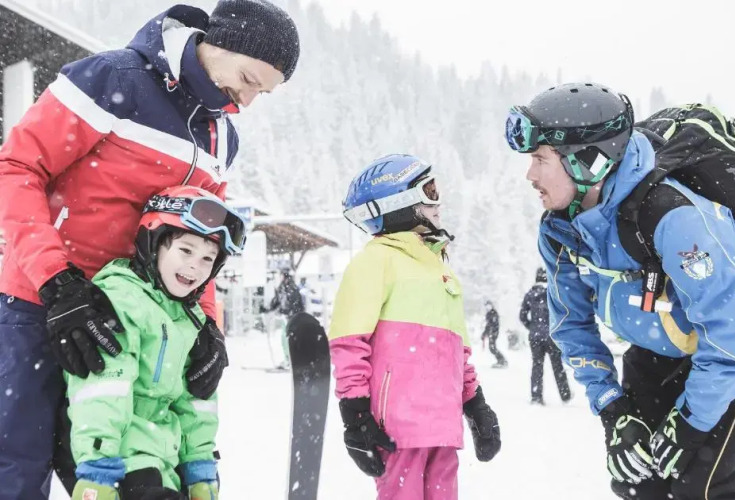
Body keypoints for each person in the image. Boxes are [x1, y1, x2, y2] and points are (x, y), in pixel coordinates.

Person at [0, 1, 299, 497]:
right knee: (16, 467)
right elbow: (16, 168)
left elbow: (202, 239)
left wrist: (206, 326)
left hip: (134, 325)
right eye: (248, 79)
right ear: (219, 43)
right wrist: (57, 281)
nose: (246, 101)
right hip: (42, 304)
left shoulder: (220, 138)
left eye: (261, 93)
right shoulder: (112, 79)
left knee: (130, 475)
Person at [505, 82, 735, 499]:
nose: (530, 175)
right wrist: (613, 410)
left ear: (588, 162)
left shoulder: (674, 219)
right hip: (661, 341)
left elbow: (732, 337)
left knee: (699, 487)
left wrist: (690, 423)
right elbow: (571, 326)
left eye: (540, 159)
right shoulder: (560, 231)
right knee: (638, 482)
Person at [330, 154, 501, 499]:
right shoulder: (374, 261)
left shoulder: (441, 271)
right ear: (397, 202)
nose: (438, 203)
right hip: (398, 428)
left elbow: (457, 352)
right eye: (430, 191)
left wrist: (476, 404)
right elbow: (348, 343)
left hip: (443, 427)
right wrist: (356, 414)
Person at [65, 186, 245, 500]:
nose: (195, 266)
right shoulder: (122, 299)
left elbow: (195, 401)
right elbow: (103, 387)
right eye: (185, 251)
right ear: (154, 243)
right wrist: (98, 467)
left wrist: (200, 464)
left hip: (165, 455)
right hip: (122, 458)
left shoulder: (190, 319)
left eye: (207, 258)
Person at [519, 267, 570, 405]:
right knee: (557, 365)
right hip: (552, 336)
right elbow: (562, 313)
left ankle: (536, 397)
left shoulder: (530, 294)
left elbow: (522, 316)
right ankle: (565, 395)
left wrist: (532, 327)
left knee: (537, 365)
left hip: (535, 337)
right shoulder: (552, 293)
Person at [482, 300, 508, 368]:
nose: (487, 307)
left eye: (488, 306)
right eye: (486, 306)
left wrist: (493, 332)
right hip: (491, 333)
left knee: (492, 348)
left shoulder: (494, 313)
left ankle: (502, 360)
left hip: (494, 332)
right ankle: (501, 360)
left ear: (491, 306)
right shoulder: (488, 314)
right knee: (492, 348)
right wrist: (484, 334)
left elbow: (495, 324)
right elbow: (488, 325)